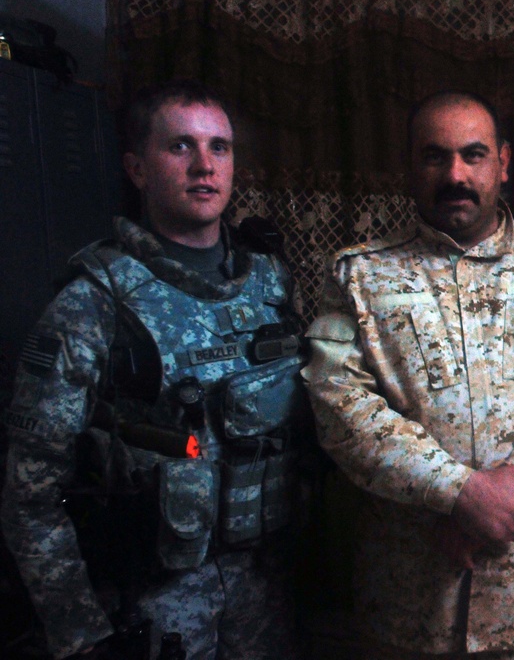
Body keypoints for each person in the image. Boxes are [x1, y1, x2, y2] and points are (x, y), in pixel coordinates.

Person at [302, 90, 514, 659]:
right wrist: (458, 492)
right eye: (435, 156)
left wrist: (503, 499)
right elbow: (339, 406)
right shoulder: (359, 276)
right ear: (411, 166)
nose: (455, 174)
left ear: (503, 163)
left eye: (474, 154)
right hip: (410, 609)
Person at [1, 79, 310, 659]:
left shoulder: (271, 284)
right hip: (156, 603)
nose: (204, 166)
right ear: (137, 168)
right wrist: (79, 633)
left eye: (220, 147)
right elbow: (30, 492)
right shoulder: (94, 303)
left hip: (268, 589)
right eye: (180, 146)